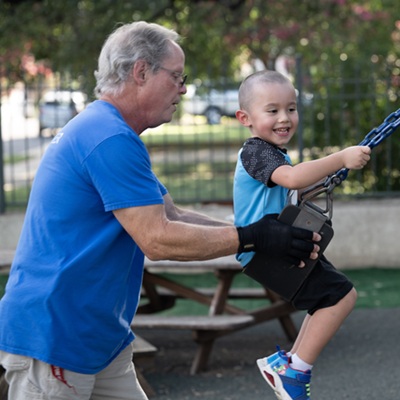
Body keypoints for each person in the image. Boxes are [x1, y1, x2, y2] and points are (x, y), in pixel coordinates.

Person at [0, 23, 320, 400]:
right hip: (56, 338)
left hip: (99, 336)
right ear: (141, 72)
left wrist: (255, 236)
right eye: (176, 76)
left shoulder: (111, 131)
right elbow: (158, 238)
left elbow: (171, 214)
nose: (183, 89)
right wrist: (253, 237)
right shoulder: (107, 138)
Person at [233, 70, 371, 400]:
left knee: (328, 298)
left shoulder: (272, 153)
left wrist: (330, 176)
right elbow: (293, 179)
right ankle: (295, 371)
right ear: (245, 118)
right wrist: (339, 157)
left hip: (278, 243)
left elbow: (294, 184)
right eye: (273, 110)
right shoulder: (256, 152)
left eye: (291, 108)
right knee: (341, 297)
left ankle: (289, 365)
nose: (284, 118)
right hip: (266, 247)